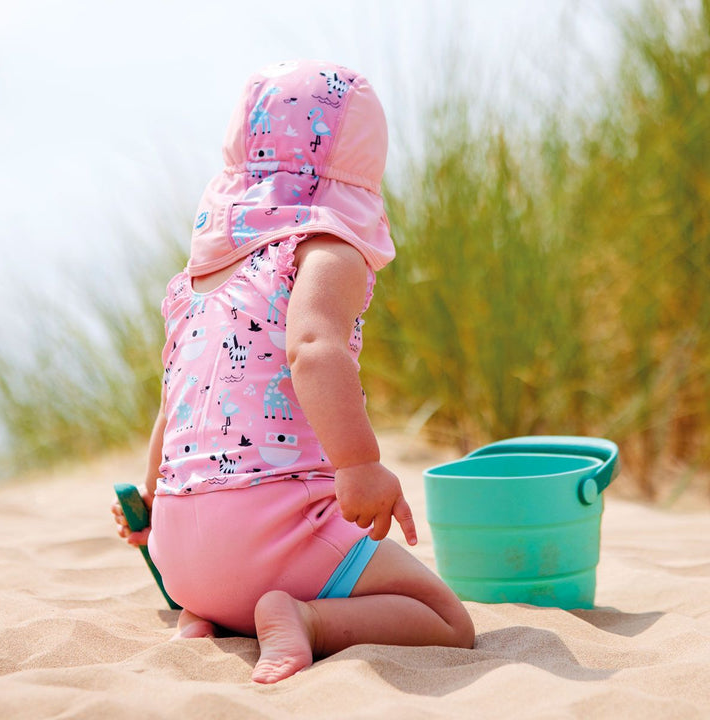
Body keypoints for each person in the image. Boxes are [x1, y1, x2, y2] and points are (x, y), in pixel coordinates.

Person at [111, 59, 474, 684]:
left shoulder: (194, 282)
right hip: (268, 538)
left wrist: (149, 499)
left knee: (230, 573)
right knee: (445, 618)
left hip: (177, 552)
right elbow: (313, 347)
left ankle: (207, 614)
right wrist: (359, 466)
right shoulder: (327, 249)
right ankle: (306, 621)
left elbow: (175, 402)